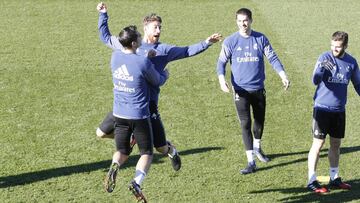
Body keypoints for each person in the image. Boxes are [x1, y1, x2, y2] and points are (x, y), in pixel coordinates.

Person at [96, 2, 222, 171]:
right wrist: (103, 14)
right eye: (155, 27)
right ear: (145, 28)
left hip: (148, 106)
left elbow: (187, 51)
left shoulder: (164, 50)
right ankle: (131, 137)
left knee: (160, 148)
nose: (158, 30)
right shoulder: (127, 44)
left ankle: (173, 152)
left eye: (160, 27)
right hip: (125, 106)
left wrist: (207, 42)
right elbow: (105, 37)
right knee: (101, 133)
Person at [216, 8, 290, 175]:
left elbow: (272, 57)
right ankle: (251, 161)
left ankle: (257, 147)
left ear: (251, 20)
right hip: (240, 90)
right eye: (240, 21)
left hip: (258, 89)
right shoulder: (230, 41)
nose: (243, 24)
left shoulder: (260, 38)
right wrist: (222, 80)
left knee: (259, 121)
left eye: (246, 20)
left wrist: (282, 75)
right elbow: (221, 63)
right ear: (236, 22)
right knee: (245, 123)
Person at [104, 25, 168, 202]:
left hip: (119, 113)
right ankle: (137, 182)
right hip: (138, 115)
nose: (141, 39)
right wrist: (165, 74)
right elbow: (157, 81)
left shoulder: (115, 56)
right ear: (133, 43)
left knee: (122, 151)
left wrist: (146, 56)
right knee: (146, 153)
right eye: (139, 37)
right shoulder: (143, 62)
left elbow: (131, 61)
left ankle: (115, 165)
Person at [307, 31, 360, 193]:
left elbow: (358, 84)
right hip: (322, 109)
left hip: (339, 110)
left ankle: (334, 178)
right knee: (318, 144)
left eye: (337, 47)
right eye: (332, 46)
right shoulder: (324, 58)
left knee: (336, 144)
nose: (334, 50)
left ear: (345, 46)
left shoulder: (351, 62)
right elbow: (315, 80)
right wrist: (321, 69)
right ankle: (311, 180)